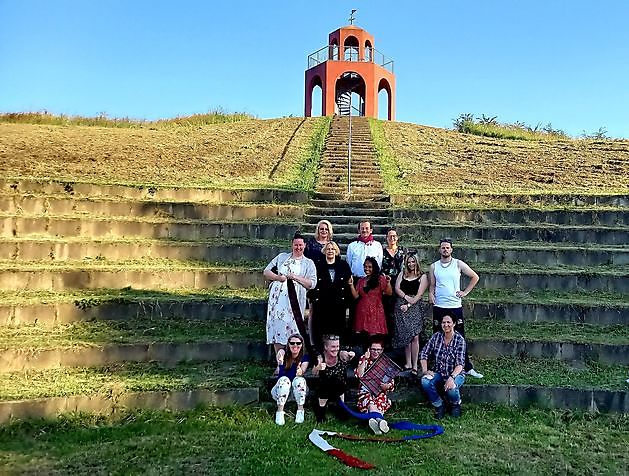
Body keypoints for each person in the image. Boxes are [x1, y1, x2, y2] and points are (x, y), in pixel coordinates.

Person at [429, 238, 483, 379]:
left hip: (454, 306)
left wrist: (465, 292)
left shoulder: (458, 264)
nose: (445, 250)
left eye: (447, 247)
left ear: (451, 249)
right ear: (439, 249)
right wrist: (430, 293)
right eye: (443, 247)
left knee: (460, 337)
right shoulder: (434, 266)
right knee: (438, 337)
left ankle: (466, 366)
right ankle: (437, 366)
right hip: (440, 306)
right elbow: (432, 285)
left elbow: (475, 277)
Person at [264, 233, 317, 354]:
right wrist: (278, 277)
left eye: (300, 245)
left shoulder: (308, 263)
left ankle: (294, 359)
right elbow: (266, 272)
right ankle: (280, 361)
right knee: (277, 326)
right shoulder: (282, 257)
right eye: (296, 245)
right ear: (292, 245)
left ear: (305, 246)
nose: (298, 247)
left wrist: (296, 277)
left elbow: (311, 283)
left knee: (293, 327)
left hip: (294, 301)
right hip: (277, 301)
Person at [420, 314, 466, 419]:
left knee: (451, 387)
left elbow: (460, 364)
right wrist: (425, 370)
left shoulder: (460, 340)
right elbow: (424, 353)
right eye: (443, 322)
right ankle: (439, 405)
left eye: (448, 322)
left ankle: (455, 404)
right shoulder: (436, 336)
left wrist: (452, 377)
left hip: (456, 374)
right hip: (439, 373)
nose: (446, 325)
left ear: (454, 324)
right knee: (425, 381)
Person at [309, 241, 352, 352]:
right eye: (328, 249)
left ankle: (337, 353)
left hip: (338, 303)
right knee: (321, 329)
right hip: (322, 303)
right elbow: (313, 283)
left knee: (338, 329)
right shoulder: (318, 265)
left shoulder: (343, 265)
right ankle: (321, 353)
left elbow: (348, 283)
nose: (330, 251)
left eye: (332, 249)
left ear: (336, 251)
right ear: (324, 251)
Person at [393, 252, 429, 375]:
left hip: (414, 307)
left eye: (413, 261)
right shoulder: (402, 274)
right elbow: (397, 288)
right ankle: (408, 362)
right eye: (409, 262)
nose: (411, 264)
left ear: (417, 262)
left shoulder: (422, 276)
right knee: (406, 335)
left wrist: (408, 303)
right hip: (401, 307)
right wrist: (405, 297)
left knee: (415, 336)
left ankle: (415, 365)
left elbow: (419, 295)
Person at [311, 334, 356, 422]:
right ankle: (321, 412)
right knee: (326, 384)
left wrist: (352, 354)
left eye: (337, 346)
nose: (336, 349)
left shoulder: (341, 354)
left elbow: (349, 355)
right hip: (324, 390)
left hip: (341, 389)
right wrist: (318, 367)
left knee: (338, 382)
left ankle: (341, 408)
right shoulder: (320, 357)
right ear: (325, 347)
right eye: (333, 347)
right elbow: (314, 371)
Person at [355, 336, 394, 434]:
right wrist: (365, 359)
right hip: (365, 391)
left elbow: (391, 383)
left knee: (378, 402)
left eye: (378, 350)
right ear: (369, 349)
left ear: (382, 350)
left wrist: (387, 386)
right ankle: (381, 421)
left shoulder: (385, 363)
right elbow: (359, 375)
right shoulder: (363, 359)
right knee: (370, 402)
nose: (375, 352)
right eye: (373, 349)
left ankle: (375, 423)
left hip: (379, 391)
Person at [349, 257, 393, 343]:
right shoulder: (361, 281)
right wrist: (351, 285)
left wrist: (388, 283)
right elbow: (356, 296)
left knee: (374, 339)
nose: (367, 269)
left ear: (374, 268)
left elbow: (389, 293)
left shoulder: (380, 279)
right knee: (361, 338)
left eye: (369, 267)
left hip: (376, 311)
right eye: (365, 267)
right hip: (362, 311)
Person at [271, 333, 310, 425]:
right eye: (292, 343)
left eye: (298, 343)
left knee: (299, 380)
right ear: (288, 344)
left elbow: (301, 373)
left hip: (297, 391)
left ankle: (300, 411)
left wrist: (299, 370)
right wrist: (280, 364)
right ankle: (280, 412)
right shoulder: (282, 354)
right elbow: (280, 377)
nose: (295, 345)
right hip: (281, 390)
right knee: (284, 380)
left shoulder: (305, 358)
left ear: (302, 344)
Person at [381, 228, 406, 338]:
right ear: (386, 238)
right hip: (386, 284)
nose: (392, 238)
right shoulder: (382, 251)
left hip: (400, 284)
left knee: (398, 311)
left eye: (394, 236)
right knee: (387, 312)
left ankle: (399, 337)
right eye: (390, 236)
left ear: (397, 238)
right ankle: (387, 338)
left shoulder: (402, 251)